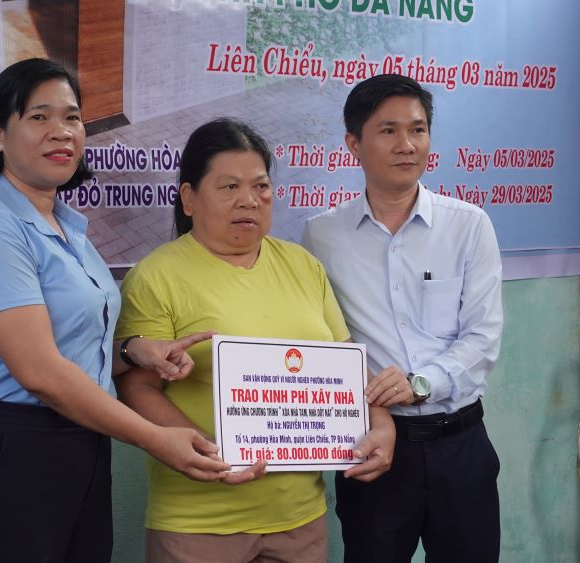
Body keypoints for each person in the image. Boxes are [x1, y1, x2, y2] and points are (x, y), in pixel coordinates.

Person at [0, 58, 230, 563]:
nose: (62, 132)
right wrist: (157, 439)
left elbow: (75, 350)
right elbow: (42, 373)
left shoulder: (68, 229)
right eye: (39, 117)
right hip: (13, 452)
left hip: (82, 443)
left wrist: (137, 354)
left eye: (72, 118)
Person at [115, 118, 396, 563]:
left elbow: (344, 364)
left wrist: (381, 422)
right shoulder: (155, 276)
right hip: (199, 523)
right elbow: (136, 386)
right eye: (228, 187)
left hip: (299, 517)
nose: (248, 200)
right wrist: (208, 449)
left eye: (260, 186)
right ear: (189, 198)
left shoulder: (303, 266)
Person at [302, 74, 504, 562]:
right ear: (354, 143)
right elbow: (321, 340)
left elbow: (483, 336)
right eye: (388, 131)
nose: (407, 144)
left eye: (418, 129)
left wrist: (421, 383)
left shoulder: (468, 225)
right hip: (374, 451)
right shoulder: (321, 236)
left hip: (461, 445)